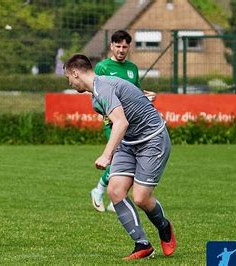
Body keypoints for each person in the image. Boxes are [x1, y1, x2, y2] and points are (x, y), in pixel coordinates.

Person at [64, 54, 176, 260]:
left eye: (68, 78)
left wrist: (107, 155)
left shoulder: (102, 87)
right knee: (115, 191)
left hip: (152, 139)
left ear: (75, 72)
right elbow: (126, 101)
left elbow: (121, 123)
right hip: (129, 143)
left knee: (141, 198)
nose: (69, 82)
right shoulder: (97, 95)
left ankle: (164, 226)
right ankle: (142, 245)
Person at [91, 30, 156, 213]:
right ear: (111, 46)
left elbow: (135, 93)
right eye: (117, 46)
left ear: (129, 47)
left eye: (124, 46)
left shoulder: (132, 68)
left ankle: (112, 198)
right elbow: (96, 95)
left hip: (131, 123)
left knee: (128, 160)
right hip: (112, 122)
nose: (121, 50)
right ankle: (99, 191)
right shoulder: (102, 67)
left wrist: (149, 97)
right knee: (117, 158)